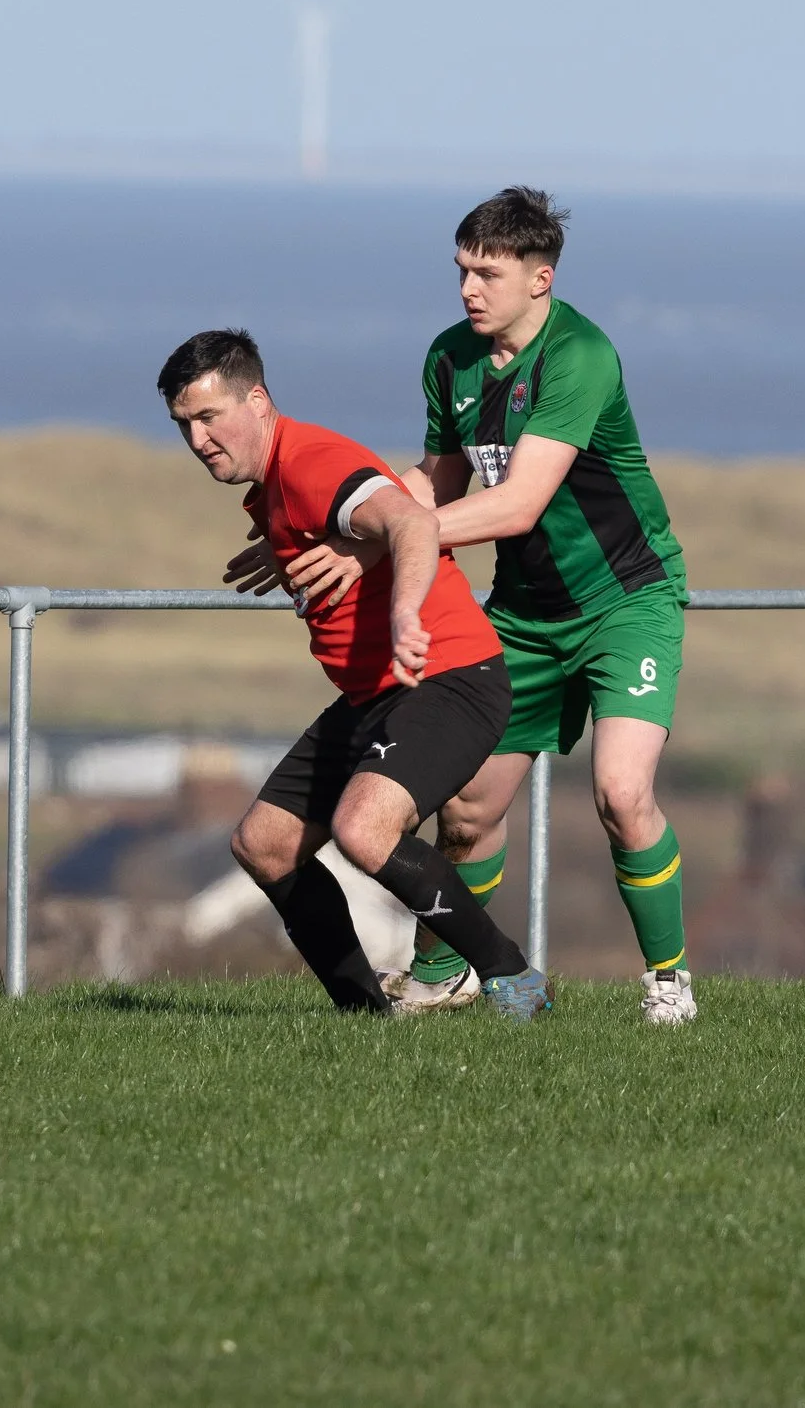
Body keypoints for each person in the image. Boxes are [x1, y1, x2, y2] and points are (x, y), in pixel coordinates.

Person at [238, 188, 697, 1023]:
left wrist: (378, 542)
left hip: (626, 599)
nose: (469, 290)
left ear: (540, 278)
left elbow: (518, 505)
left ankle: (669, 981)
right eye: (461, 271)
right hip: (521, 613)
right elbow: (441, 478)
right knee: (469, 808)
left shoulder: (579, 356)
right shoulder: (451, 357)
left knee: (621, 793)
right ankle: (445, 973)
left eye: (488, 273)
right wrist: (348, 521)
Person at [159, 328, 552, 1020]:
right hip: (378, 694)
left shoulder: (309, 462)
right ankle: (366, 1018)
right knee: (265, 845)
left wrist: (404, 615)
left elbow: (411, 522)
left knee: (364, 832)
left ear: (256, 400)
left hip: (448, 676)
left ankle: (514, 979)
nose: (197, 441)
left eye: (209, 417)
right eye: (184, 424)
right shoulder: (274, 485)